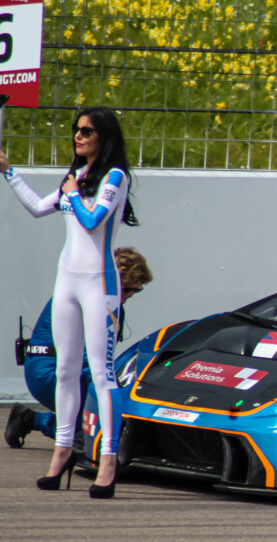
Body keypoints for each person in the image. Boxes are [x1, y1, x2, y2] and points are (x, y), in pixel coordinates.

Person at [1, 106, 138, 499]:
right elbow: (38, 208)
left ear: (104, 137)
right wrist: (9, 172)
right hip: (66, 283)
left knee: (101, 373)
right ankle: (61, 452)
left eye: (87, 131)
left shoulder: (115, 176)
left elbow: (94, 220)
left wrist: (73, 194)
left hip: (100, 284)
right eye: (76, 130)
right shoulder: (74, 176)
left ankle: (107, 459)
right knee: (64, 370)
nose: (78, 137)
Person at [5, 247, 153, 448]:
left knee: (103, 401)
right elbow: (89, 359)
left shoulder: (96, 296)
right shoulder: (93, 301)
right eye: (128, 289)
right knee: (104, 408)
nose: (132, 295)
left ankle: (30, 419)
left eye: (137, 289)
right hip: (51, 372)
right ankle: (79, 435)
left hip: (46, 368)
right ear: (112, 282)